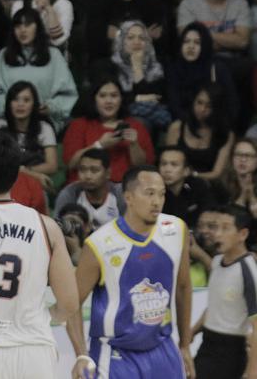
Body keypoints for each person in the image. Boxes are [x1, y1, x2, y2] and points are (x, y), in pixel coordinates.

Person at [0, 132, 91, 379]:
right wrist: (46, 317)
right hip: (34, 351)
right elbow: (69, 303)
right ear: (16, 177)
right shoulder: (47, 227)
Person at [77, 165, 194, 379]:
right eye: (149, 193)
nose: (157, 201)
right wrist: (81, 356)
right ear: (128, 197)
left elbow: (184, 286)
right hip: (115, 354)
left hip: (162, 348)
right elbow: (72, 302)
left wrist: (185, 344)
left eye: (161, 194)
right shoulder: (99, 243)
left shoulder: (176, 229)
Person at [0, 8, 77, 131]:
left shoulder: (53, 55)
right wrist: (12, 107)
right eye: (18, 26)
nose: (22, 30)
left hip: (43, 119)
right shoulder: (4, 55)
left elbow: (67, 94)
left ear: (37, 27)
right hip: (7, 119)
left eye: (27, 25)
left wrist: (50, 108)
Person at [192, 204, 257, 378]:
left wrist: (252, 371)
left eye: (226, 228)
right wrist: (192, 332)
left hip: (231, 350)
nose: (218, 234)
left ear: (242, 234)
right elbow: (214, 306)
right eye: (216, 227)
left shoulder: (248, 270)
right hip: (207, 343)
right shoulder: (216, 262)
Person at [62, 77, 155, 184]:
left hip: (124, 187)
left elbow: (143, 169)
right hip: (86, 186)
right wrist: (100, 145)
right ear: (94, 99)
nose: (109, 101)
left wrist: (134, 145)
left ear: (121, 99)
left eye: (114, 96)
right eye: (102, 96)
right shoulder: (78, 125)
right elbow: (71, 164)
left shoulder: (136, 126)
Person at [95, 21, 171, 136]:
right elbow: (106, 96)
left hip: (149, 119)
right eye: (130, 38)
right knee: (137, 122)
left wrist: (137, 67)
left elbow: (156, 99)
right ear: (121, 41)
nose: (137, 42)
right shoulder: (107, 66)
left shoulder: (157, 67)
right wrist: (138, 98)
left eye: (142, 38)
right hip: (116, 115)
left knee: (141, 122)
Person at [166, 23, 239, 132]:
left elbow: (232, 106)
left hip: (216, 127)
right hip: (186, 126)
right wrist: (194, 124)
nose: (191, 46)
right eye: (186, 41)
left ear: (205, 45)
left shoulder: (217, 69)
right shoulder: (175, 70)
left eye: (197, 42)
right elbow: (174, 106)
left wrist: (213, 125)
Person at [164, 84, 236, 182]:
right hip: (177, 182)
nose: (202, 109)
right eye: (199, 102)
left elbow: (217, 173)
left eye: (209, 106)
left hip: (208, 185)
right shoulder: (177, 127)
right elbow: (168, 163)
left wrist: (192, 175)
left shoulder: (226, 134)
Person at [0, 81, 59, 190]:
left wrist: (25, 171)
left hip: (35, 185)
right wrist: (31, 173)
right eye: (15, 99)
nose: (20, 104)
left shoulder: (44, 128)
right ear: (9, 103)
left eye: (26, 100)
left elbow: (52, 166)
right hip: (5, 184)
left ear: (34, 104)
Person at [54, 148, 126, 228]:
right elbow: (57, 229)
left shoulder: (120, 194)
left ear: (108, 173)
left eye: (94, 170)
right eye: (83, 170)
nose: (87, 176)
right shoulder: (70, 194)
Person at [158, 147, 214, 227]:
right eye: (163, 164)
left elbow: (209, 217)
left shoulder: (199, 187)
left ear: (186, 171)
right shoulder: (154, 191)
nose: (167, 170)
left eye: (174, 164)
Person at [213, 138, 257, 222]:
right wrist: (242, 197)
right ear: (231, 158)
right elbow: (224, 220)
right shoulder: (219, 185)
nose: (243, 160)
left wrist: (251, 197)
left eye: (249, 156)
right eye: (238, 154)